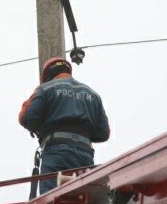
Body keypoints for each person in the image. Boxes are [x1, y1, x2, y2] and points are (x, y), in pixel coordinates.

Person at [19, 57, 110, 194]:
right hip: (85, 154)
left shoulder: (46, 89)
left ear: (47, 75)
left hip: (56, 152)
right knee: (84, 198)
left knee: (50, 201)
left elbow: (27, 118)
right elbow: (103, 133)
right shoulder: (93, 95)